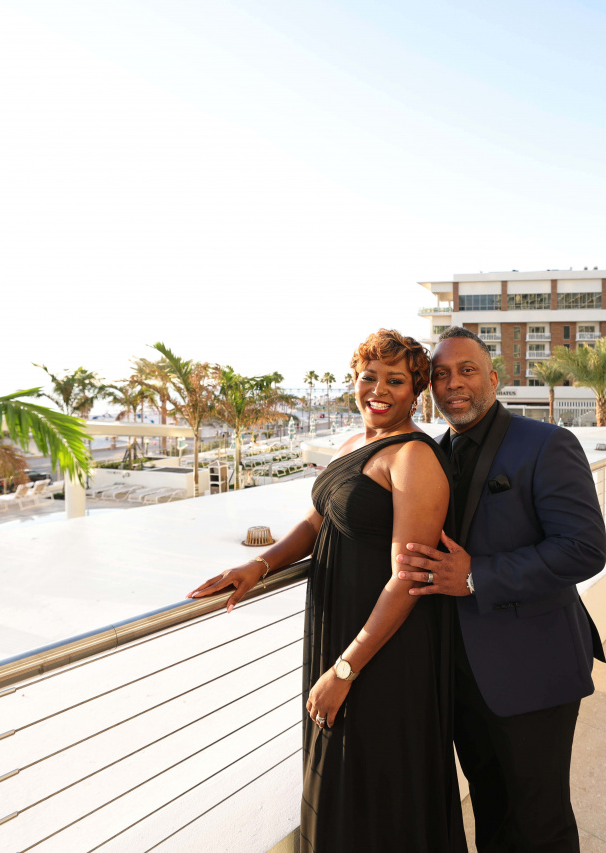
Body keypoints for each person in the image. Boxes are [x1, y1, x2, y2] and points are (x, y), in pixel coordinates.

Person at [188, 329, 466, 851]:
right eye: (369, 377)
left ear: (416, 392)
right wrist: (260, 565)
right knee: (338, 776)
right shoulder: (353, 445)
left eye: (395, 381)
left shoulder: (413, 458)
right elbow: (318, 521)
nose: (378, 390)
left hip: (383, 649)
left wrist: (344, 670)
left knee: (378, 786)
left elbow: (407, 577)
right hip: (340, 631)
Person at [395, 326, 606, 852]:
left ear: (493, 379)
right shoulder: (430, 454)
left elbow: (584, 549)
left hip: (533, 669)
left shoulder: (548, 443)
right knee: (491, 811)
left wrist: (476, 576)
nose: (453, 384)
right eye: (441, 375)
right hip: (460, 678)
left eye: (466, 370)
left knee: (540, 821)